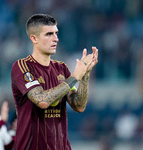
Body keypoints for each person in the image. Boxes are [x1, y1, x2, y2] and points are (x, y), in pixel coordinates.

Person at [11, 14, 98, 150]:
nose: (56, 39)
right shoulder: (22, 66)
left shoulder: (61, 68)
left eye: (56, 33)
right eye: (49, 34)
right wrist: (75, 76)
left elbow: (79, 106)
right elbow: (42, 101)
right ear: (34, 38)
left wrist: (85, 74)